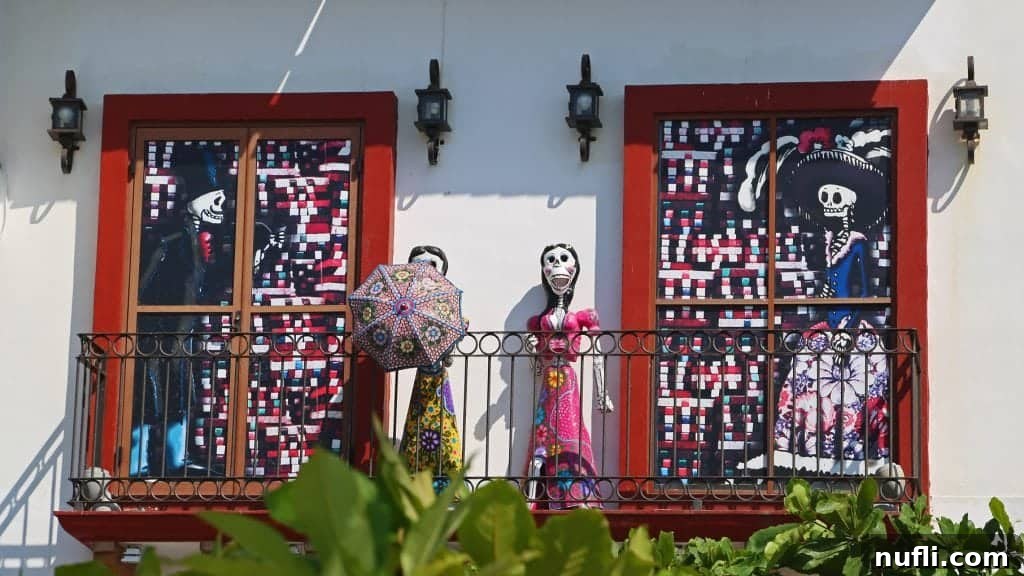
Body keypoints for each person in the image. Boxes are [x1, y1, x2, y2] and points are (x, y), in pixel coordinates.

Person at [130, 146, 235, 477]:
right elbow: (141, 287)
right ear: (193, 199)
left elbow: (206, 289)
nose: (221, 205)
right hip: (157, 337)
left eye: (223, 197)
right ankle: (137, 463)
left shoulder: (207, 241)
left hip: (182, 339)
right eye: (213, 197)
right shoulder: (167, 240)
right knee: (149, 401)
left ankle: (177, 458)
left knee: (179, 400)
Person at [525, 244, 613, 509]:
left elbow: (598, 353)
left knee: (570, 431)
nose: (557, 265)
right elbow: (537, 366)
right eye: (551, 260)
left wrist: (602, 393)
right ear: (544, 270)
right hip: (549, 379)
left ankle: (575, 495)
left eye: (564, 259)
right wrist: (533, 351)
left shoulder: (584, 316)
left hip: (567, 379)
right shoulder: (538, 320)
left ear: (575, 269)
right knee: (543, 436)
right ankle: (536, 499)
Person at [397, 246, 463, 483]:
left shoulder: (446, 309)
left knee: (444, 435)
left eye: (431, 265)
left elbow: (449, 354)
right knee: (417, 435)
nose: (424, 270)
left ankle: (446, 482)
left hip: (438, 382)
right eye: (417, 265)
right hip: (422, 382)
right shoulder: (405, 311)